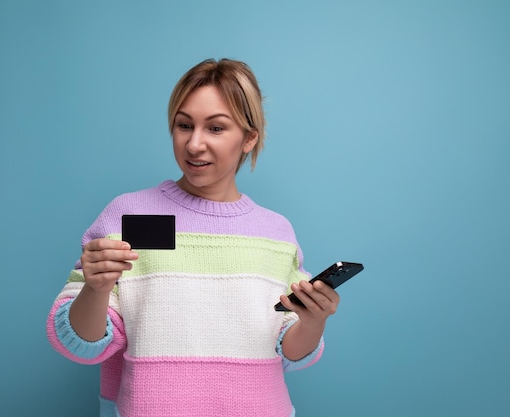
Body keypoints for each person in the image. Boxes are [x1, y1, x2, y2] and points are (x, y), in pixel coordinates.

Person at [47, 58, 340, 417]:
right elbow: (80, 346)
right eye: (184, 125)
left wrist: (313, 320)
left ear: (249, 138)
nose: (194, 144)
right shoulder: (132, 216)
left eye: (216, 128)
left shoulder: (276, 233)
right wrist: (95, 289)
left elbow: (291, 353)